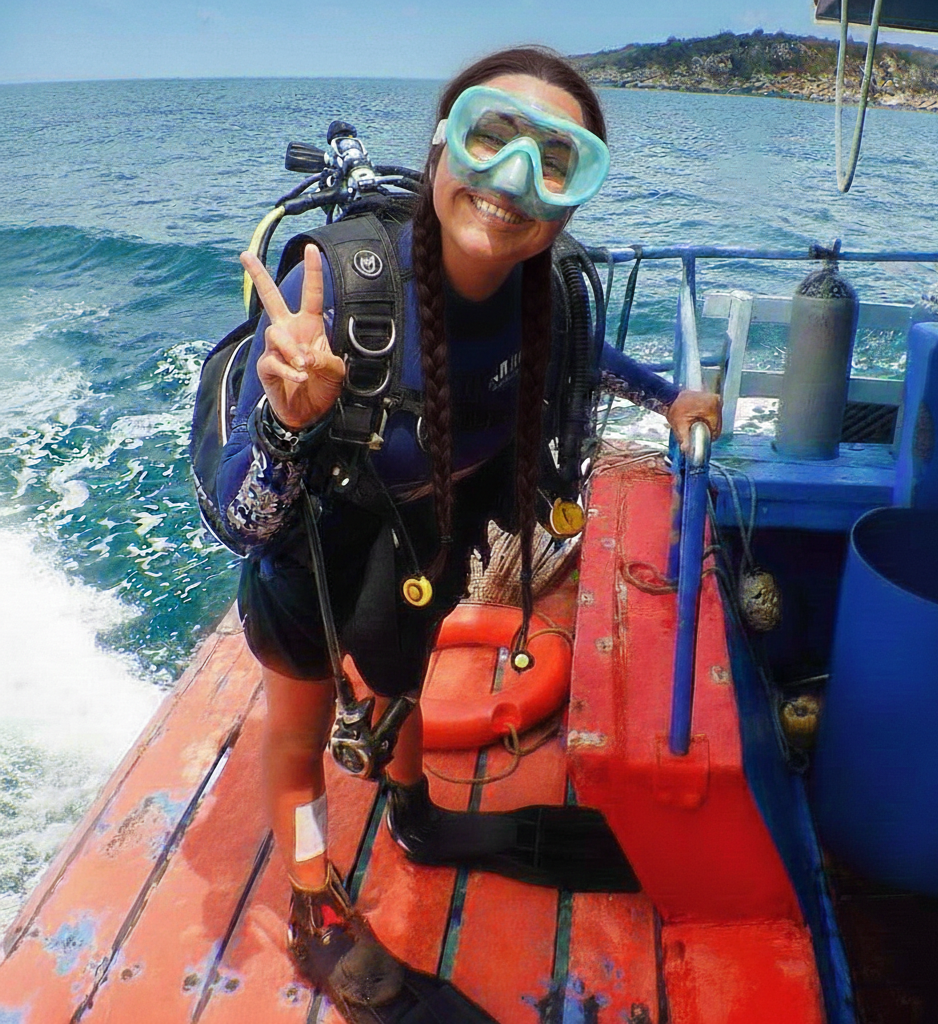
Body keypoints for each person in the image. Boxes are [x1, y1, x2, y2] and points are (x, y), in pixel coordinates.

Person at [215, 46, 721, 1018]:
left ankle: (414, 815)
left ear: (571, 200)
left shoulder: (547, 292)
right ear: (442, 140)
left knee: (403, 671)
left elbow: (587, 353)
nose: (511, 181)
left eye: (554, 160)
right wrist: (287, 423)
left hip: (425, 527)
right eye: (492, 135)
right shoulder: (342, 282)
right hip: (313, 539)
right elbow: (249, 521)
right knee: (300, 728)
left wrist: (666, 397)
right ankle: (313, 892)